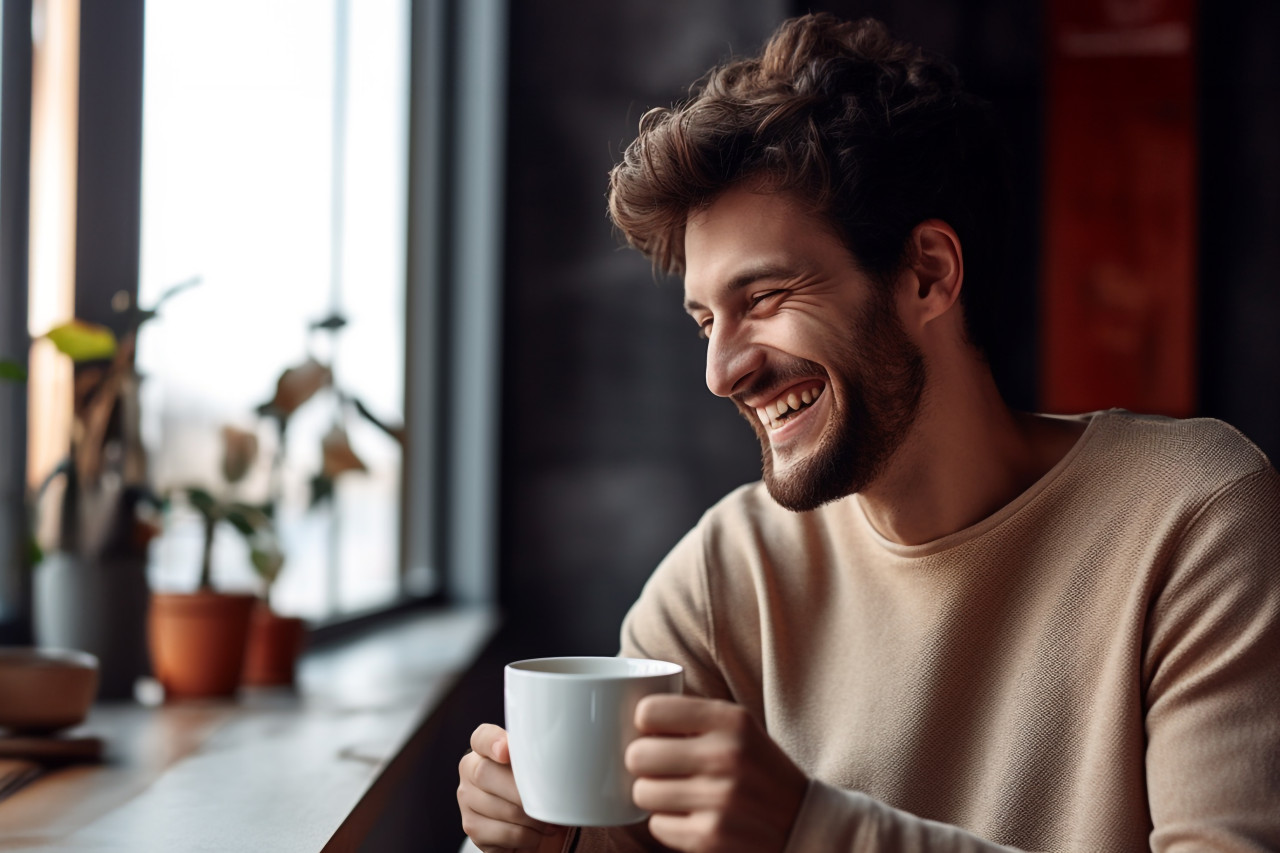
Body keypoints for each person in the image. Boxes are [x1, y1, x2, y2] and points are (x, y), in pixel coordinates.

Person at [458, 13, 1280, 853]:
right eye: (705, 320)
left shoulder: (1192, 514)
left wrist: (810, 828)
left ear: (927, 274)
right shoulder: (726, 574)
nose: (721, 369)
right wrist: (533, 837)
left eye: (765, 297)